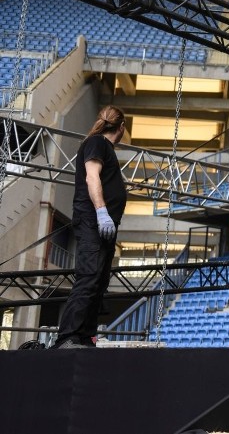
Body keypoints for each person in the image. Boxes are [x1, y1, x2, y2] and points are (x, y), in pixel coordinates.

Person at [52, 106, 127, 349]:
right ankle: (68, 338)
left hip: (104, 227)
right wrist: (102, 211)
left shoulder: (105, 148)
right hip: (93, 222)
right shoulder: (96, 143)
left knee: (98, 282)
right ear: (121, 127)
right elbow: (91, 177)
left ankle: (85, 338)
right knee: (88, 278)